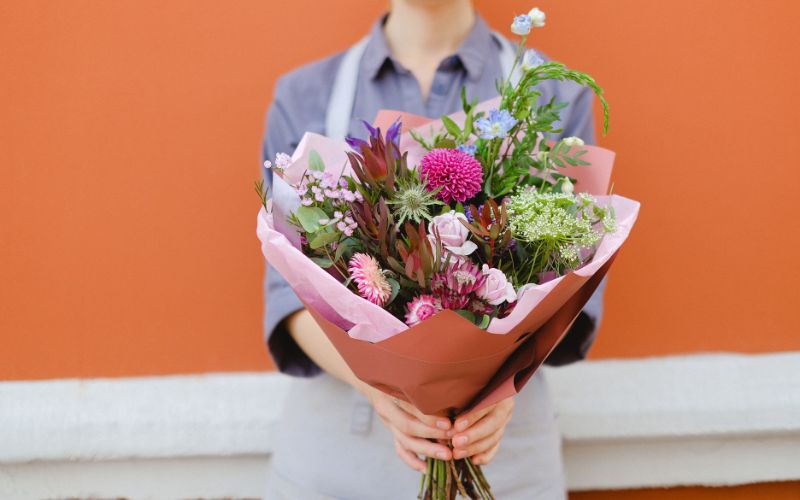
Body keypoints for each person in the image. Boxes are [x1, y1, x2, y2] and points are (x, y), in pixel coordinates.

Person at [261, 1, 605, 498]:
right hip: (341, 451)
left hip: (499, 447)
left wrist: (499, 392)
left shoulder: (555, 92)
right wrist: (381, 390)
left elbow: (576, 272)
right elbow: (288, 290)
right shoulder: (303, 95)